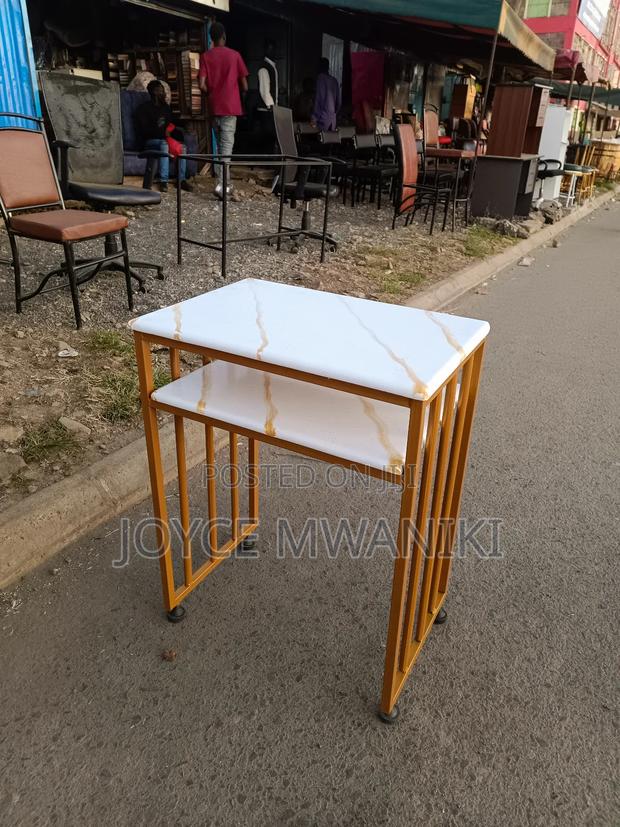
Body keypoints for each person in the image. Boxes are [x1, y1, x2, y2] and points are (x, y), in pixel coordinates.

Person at [199, 21, 248, 197]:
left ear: (211, 37)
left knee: (220, 149)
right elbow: (245, 85)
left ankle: (223, 184)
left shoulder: (206, 56)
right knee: (226, 149)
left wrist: (212, 93)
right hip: (230, 108)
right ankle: (223, 186)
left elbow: (201, 84)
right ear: (224, 36)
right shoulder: (235, 56)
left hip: (214, 108)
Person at [134, 80, 193, 192]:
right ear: (154, 92)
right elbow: (144, 131)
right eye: (161, 90)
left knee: (182, 147)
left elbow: (171, 125)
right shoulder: (143, 109)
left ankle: (181, 180)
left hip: (164, 139)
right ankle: (163, 181)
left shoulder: (165, 108)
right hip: (149, 141)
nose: (164, 93)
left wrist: (183, 129)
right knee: (164, 144)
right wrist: (161, 133)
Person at [311, 57, 340, 132]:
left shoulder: (320, 78)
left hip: (322, 121)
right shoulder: (334, 80)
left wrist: (314, 118)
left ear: (319, 67)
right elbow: (338, 102)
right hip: (332, 121)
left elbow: (319, 100)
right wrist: (333, 115)